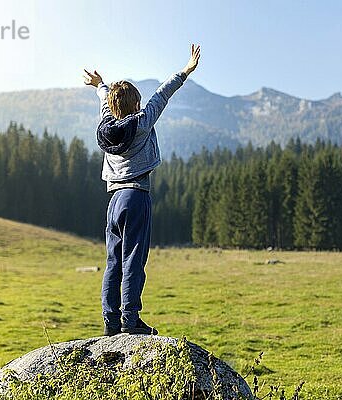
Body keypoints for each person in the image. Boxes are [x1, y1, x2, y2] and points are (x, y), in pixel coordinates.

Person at [83, 44, 201, 335]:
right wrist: (185, 71)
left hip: (114, 202)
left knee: (113, 261)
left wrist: (100, 85)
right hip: (136, 196)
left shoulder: (106, 126)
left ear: (112, 108)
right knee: (133, 259)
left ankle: (111, 321)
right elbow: (162, 95)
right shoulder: (142, 122)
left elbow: (104, 103)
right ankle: (130, 320)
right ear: (136, 105)